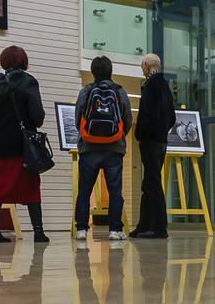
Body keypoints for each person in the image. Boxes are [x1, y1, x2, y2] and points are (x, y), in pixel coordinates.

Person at [0, 45, 48, 243]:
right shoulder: (28, 82)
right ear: (24, 62)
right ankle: (38, 232)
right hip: (23, 146)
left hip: (0, 146)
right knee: (31, 188)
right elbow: (38, 116)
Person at [73, 56, 132, 241]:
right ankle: (115, 230)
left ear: (93, 71)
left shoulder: (86, 91)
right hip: (114, 149)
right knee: (115, 191)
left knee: (84, 190)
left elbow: (78, 117)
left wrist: (87, 134)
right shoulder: (119, 91)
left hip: (89, 148)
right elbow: (127, 120)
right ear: (111, 71)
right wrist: (116, 136)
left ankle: (81, 230)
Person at [131, 53, 176, 239]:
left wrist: (141, 136)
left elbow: (149, 115)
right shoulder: (165, 85)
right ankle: (143, 225)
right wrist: (162, 132)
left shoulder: (151, 85)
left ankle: (159, 227)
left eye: (142, 66)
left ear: (146, 65)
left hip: (151, 141)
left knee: (153, 183)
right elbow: (172, 117)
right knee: (149, 182)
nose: (142, 69)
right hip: (161, 141)